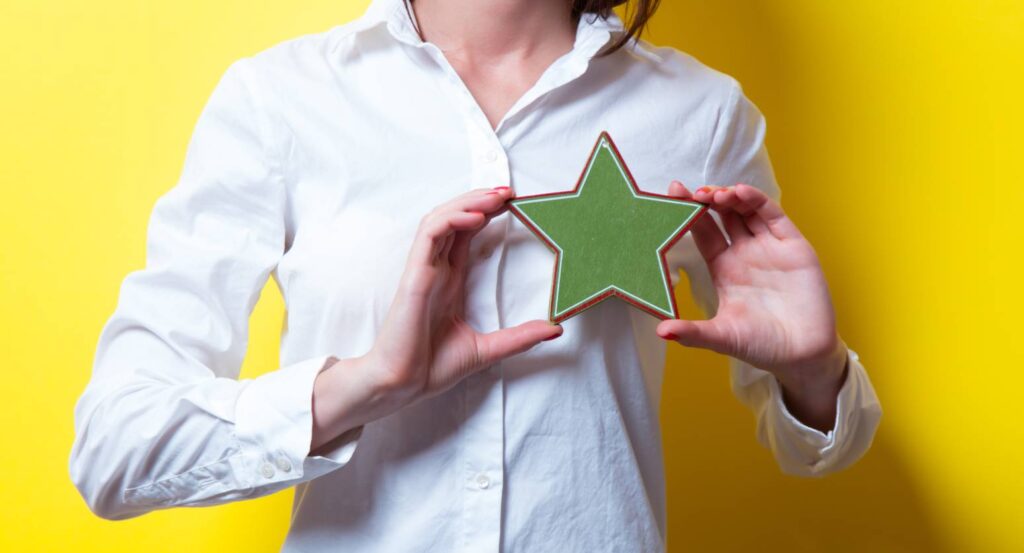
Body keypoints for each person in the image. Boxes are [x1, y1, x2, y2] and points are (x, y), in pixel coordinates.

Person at [69, 0, 882, 550]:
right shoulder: (279, 101)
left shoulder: (701, 112)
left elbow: (818, 450)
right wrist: (363, 386)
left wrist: (813, 372)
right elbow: (115, 448)